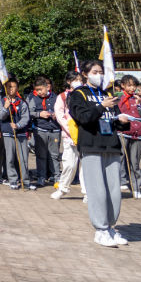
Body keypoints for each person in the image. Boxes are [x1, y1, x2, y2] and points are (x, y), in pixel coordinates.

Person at [68, 60, 129, 246]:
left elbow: (115, 120)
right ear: (85, 74)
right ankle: (101, 230)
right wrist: (101, 106)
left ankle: (111, 226)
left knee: (113, 192)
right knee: (98, 191)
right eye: (95, 71)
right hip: (91, 145)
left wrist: (123, 121)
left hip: (111, 145)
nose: (99, 75)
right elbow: (84, 118)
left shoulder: (108, 93)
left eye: (101, 71)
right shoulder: (77, 95)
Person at [52, 71, 83, 200]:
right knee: (69, 164)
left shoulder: (84, 94)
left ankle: (87, 192)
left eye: (80, 79)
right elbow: (59, 115)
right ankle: (63, 188)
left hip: (84, 134)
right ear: (69, 82)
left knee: (85, 166)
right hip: (69, 135)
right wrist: (71, 129)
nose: (79, 82)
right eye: (76, 80)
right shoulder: (62, 97)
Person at [117, 75, 141, 198]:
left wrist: (139, 104)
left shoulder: (140, 99)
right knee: (121, 158)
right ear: (123, 85)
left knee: (135, 163)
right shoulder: (119, 98)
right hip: (123, 132)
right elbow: (116, 113)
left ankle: (136, 188)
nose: (132, 88)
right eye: (129, 85)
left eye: (134, 85)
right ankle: (121, 181)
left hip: (138, 133)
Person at [0, 78, 31, 190]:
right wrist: (6, 107)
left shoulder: (22, 102)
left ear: (17, 88)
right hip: (8, 133)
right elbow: (1, 117)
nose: (11, 89)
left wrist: (18, 125)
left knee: (23, 158)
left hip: (20, 134)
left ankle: (25, 180)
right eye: (9, 87)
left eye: (13, 87)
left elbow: (26, 118)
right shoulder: (2, 101)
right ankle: (13, 179)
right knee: (10, 157)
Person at [29, 76, 61, 189]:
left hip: (55, 130)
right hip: (40, 130)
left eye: (40, 89)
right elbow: (29, 112)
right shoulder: (34, 99)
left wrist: (58, 115)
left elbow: (64, 110)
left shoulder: (57, 98)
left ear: (47, 87)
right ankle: (41, 177)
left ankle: (56, 177)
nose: (39, 92)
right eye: (37, 90)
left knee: (54, 155)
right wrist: (39, 114)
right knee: (41, 155)